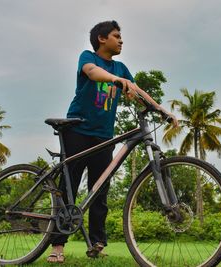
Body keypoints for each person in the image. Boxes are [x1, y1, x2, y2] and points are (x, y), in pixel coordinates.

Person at [47, 20, 178, 263]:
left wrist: (162, 110)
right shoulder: (89, 57)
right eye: (116, 36)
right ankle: (57, 246)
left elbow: (138, 91)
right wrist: (117, 81)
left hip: (104, 137)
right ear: (102, 39)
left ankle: (97, 243)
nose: (121, 40)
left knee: (100, 191)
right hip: (77, 130)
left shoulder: (121, 68)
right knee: (68, 189)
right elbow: (92, 73)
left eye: (121, 36)